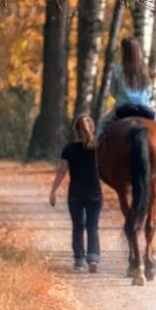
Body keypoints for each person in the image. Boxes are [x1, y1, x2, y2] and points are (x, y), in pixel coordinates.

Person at [49, 115, 103, 272]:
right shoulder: (97, 149)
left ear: (75, 130)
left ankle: (79, 260)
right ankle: (93, 259)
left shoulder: (69, 149)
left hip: (76, 194)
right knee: (93, 227)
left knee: (78, 227)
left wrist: (53, 191)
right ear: (92, 128)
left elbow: (61, 172)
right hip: (95, 193)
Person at [98, 36, 156, 142]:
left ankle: (95, 154)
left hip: (123, 109)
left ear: (124, 51)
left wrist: (122, 98)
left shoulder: (117, 70)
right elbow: (150, 92)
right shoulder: (145, 70)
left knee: (102, 125)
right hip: (144, 109)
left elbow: (113, 92)